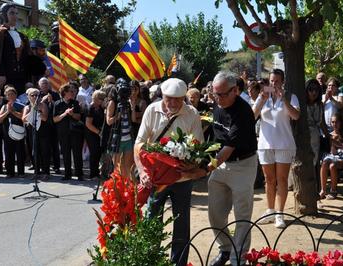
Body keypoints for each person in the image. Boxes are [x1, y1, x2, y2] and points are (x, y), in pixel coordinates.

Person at [134, 78, 204, 266]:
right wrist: (142, 172)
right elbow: (139, 144)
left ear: (184, 98)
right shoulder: (151, 110)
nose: (172, 103)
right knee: (152, 222)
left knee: (181, 225)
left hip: (182, 179)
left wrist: (192, 165)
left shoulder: (192, 114)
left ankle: (178, 263)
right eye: (168, 98)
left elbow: (198, 147)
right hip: (156, 179)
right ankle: (150, 261)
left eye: (177, 99)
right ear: (162, 96)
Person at [200, 71, 257, 266]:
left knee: (242, 215)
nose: (218, 99)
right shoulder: (218, 105)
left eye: (222, 94)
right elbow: (217, 142)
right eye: (215, 94)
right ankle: (225, 249)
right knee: (215, 213)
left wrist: (204, 169)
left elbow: (228, 148)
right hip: (221, 165)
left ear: (235, 91)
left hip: (243, 164)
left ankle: (237, 258)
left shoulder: (243, 112)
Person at [252, 69, 300, 229]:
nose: (274, 84)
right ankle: (270, 211)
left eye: (277, 81)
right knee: (269, 180)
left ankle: (280, 214)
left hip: (284, 144)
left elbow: (296, 116)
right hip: (265, 144)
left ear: (283, 82)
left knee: (282, 180)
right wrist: (261, 99)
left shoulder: (291, 97)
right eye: (271, 81)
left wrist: (284, 99)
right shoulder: (263, 97)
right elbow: (252, 116)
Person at [0, 3, 31, 95]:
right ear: (3, 15)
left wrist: (29, 78)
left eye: (16, 13)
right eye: (12, 13)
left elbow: (26, 57)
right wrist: (1, 74)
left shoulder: (22, 36)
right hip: (6, 78)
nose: (15, 16)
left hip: (22, 77)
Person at [320, 112, 343, 200]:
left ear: (341, 122)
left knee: (333, 165)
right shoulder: (331, 134)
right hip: (335, 156)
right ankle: (323, 190)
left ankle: (333, 190)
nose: (334, 124)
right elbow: (333, 153)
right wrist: (333, 144)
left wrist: (342, 145)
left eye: (336, 122)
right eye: (332, 122)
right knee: (325, 162)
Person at [53, 84, 84, 181]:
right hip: (63, 132)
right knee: (66, 154)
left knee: (77, 153)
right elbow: (55, 119)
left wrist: (72, 114)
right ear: (65, 92)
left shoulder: (75, 103)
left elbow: (79, 117)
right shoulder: (58, 103)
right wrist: (65, 114)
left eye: (73, 91)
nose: (73, 93)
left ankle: (79, 174)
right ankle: (67, 174)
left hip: (75, 132)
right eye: (71, 91)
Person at [106, 78, 134, 178]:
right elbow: (108, 121)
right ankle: (116, 188)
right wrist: (117, 116)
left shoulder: (127, 102)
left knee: (128, 166)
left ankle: (126, 188)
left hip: (128, 138)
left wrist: (133, 105)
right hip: (117, 139)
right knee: (117, 167)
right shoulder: (112, 103)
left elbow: (133, 119)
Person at [0, 86, 25, 178]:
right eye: (8, 94)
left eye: (12, 94)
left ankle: (21, 172)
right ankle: (10, 172)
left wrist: (13, 112)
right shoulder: (4, 106)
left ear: (16, 95)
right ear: (6, 96)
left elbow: (23, 117)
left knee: (20, 152)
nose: (10, 96)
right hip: (7, 133)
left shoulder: (21, 105)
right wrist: (7, 112)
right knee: (9, 153)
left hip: (18, 132)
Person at [22, 88, 50, 178]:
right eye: (32, 95)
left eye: (36, 95)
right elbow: (23, 119)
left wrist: (37, 110)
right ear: (28, 97)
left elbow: (45, 118)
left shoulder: (43, 105)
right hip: (32, 131)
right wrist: (32, 109)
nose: (34, 97)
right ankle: (36, 171)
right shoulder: (27, 107)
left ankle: (46, 172)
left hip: (43, 131)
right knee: (35, 152)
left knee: (44, 151)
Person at [38, 77, 61, 174]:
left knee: (54, 146)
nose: (44, 85)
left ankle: (56, 166)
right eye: (42, 83)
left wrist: (51, 101)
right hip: (41, 125)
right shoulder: (37, 94)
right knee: (42, 147)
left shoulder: (54, 94)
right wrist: (42, 101)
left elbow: (59, 106)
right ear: (39, 85)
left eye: (46, 83)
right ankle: (41, 166)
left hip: (53, 124)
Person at [85, 90, 107, 179]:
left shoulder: (101, 108)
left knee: (98, 153)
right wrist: (99, 132)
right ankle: (93, 174)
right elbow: (88, 124)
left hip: (98, 133)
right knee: (94, 153)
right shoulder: (90, 108)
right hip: (91, 133)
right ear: (96, 99)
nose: (102, 101)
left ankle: (97, 172)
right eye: (101, 99)